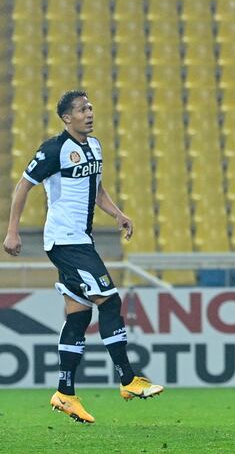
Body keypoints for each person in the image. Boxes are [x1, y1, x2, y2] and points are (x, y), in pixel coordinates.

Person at [3, 90, 164, 424]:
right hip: (64, 241)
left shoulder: (95, 146)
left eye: (90, 106)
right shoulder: (54, 149)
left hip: (81, 240)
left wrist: (117, 214)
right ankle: (128, 379)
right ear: (67, 118)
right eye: (81, 109)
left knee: (78, 316)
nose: (89, 113)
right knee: (109, 299)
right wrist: (13, 230)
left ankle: (65, 393)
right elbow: (23, 185)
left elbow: (96, 188)